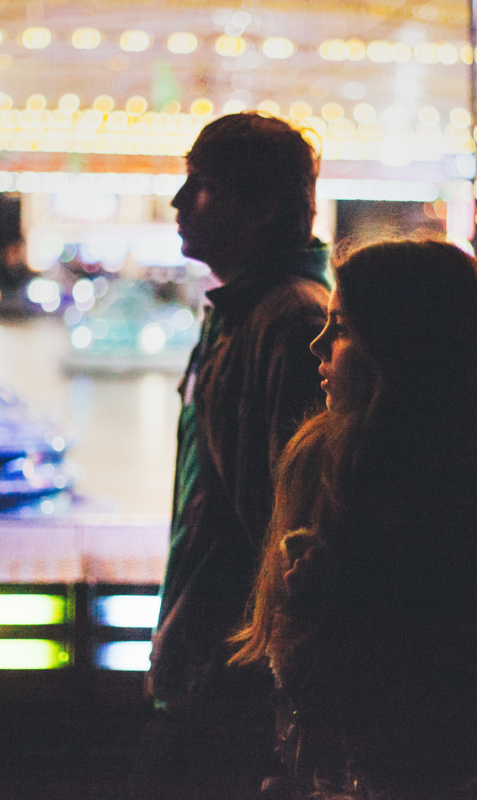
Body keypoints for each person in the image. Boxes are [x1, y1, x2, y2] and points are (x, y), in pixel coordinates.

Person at [231, 239, 477, 799]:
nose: (318, 346)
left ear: (404, 347)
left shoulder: (463, 515)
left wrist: (340, 599)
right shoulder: (339, 475)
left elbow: (432, 722)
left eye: (342, 328)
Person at [129, 113, 332, 799]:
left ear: (262, 207)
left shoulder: (293, 326)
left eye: (203, 185)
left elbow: (288, 524)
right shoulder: (245, 315)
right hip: (208, 667)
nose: (180, 202)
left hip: (234, 683)